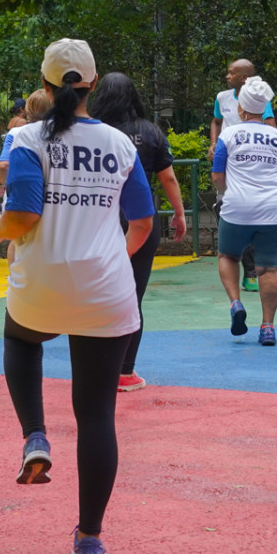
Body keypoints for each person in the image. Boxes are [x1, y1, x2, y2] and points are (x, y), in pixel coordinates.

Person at [0, 38, 156, 554]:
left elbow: (25, 215)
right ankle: (90, 542)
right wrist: (110, 260)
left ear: (47, 85)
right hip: (107, 290)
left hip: (41, 284)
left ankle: (35, 434)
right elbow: (143, 223)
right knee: (98, 413)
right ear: (91, 86)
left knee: (20, 339)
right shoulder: (122, 145)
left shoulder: (25, 137)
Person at [86, 71, 188, 390]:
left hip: (98, 219)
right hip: (139, 219)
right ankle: (125, 372)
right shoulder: (150, 131)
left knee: (95, 294)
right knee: (132, 296)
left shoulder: (93, 130)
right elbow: (168, 178)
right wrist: (180, 213)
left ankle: (94, 367)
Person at [211, 76, 277, 345]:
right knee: (269, 268)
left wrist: (230, 192)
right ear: (264, 108)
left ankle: (236, 304)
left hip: (237, 207)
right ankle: (268, 327)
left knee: (227, 255)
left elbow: (217, 177)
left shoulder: (228, 135)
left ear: (241, 109)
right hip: (274, 210)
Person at [210, 58, 275, 292]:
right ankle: (241, 262)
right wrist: (214, 144)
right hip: (227, 162)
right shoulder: (222, 97)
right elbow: (216, 122)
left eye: (231, 73)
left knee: (248, 215)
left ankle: (250, 271)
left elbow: (271, 128)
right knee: (224, 210)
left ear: (245, 78)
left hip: (250, 168)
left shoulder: (259, 99)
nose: (227, 76)